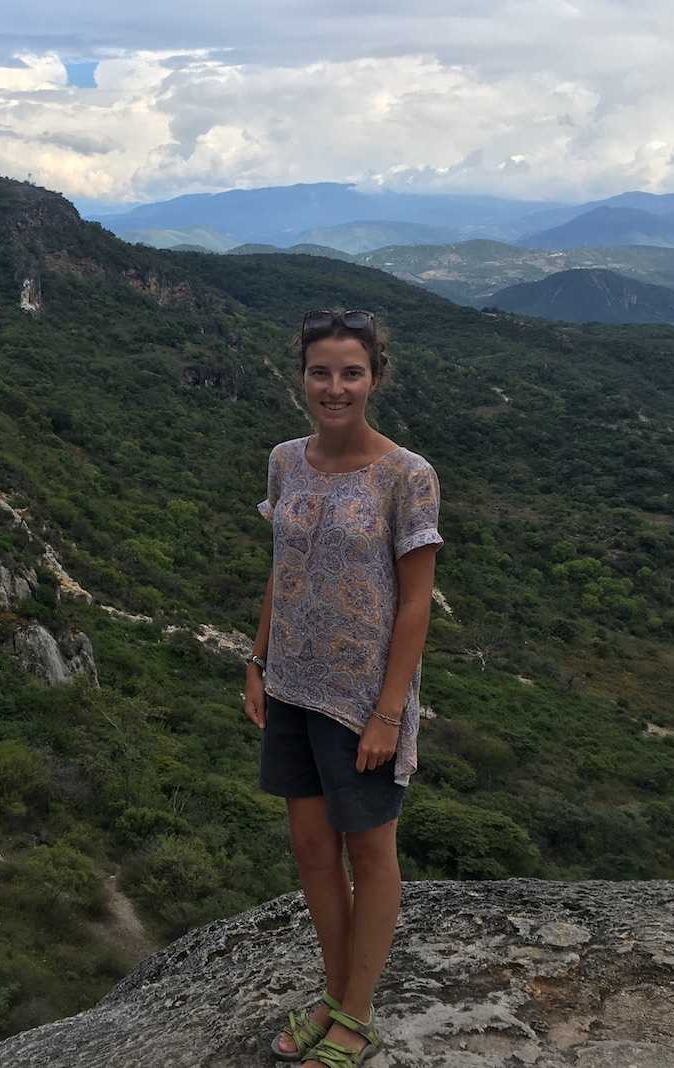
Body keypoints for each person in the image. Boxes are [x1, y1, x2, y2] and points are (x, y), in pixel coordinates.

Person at [243, 309, 443, 1068]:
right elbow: (279, 570)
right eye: (320, 372)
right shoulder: (284, 460)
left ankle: (356, 1014)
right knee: (310, 848)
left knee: (370, 850)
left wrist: (389, 713)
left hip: (363, 699)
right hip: (291, 684)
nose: (334, 387)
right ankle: (335, 996)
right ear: (302, 376)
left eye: (350, 372)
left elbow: (416, 603)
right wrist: (256, 662)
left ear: (375, 378)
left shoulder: (405, 475)